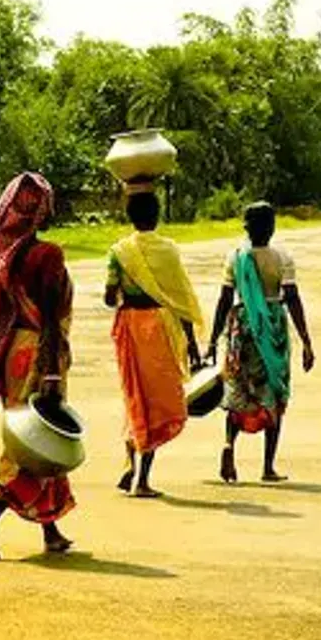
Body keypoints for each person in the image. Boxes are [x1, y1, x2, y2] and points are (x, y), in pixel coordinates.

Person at [0, 172, 75, 560]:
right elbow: (52, 318)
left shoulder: (0, 258)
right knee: (39, 442)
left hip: (10, 357)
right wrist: (51, 371)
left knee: (37, 440)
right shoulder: (47, 255)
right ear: (37, 211)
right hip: (38, 354)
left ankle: (50, 530)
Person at [104, 189, 203, 498]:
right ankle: (143, 478)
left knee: (133, 395)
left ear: (129, 216)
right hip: (159, 329)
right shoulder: (170, 251)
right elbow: (182, 300)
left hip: (129, 327)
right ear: (157, 215)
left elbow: (109, 298)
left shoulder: (119, 251)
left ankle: (131, 462)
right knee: (158, 402)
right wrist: (193, 345)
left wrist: (124, 292)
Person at [206, 202, 314, 483]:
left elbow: (224, 300)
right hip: (272, 329)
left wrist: (213, 338)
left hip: (241, 328)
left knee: (238, 389)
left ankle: (229, 444)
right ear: (273, 227)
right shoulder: (282, 258)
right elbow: (291, 298)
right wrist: (305, 341)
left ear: (246, 227)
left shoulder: (236, 257)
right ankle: (267, 467)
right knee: (275, 393)